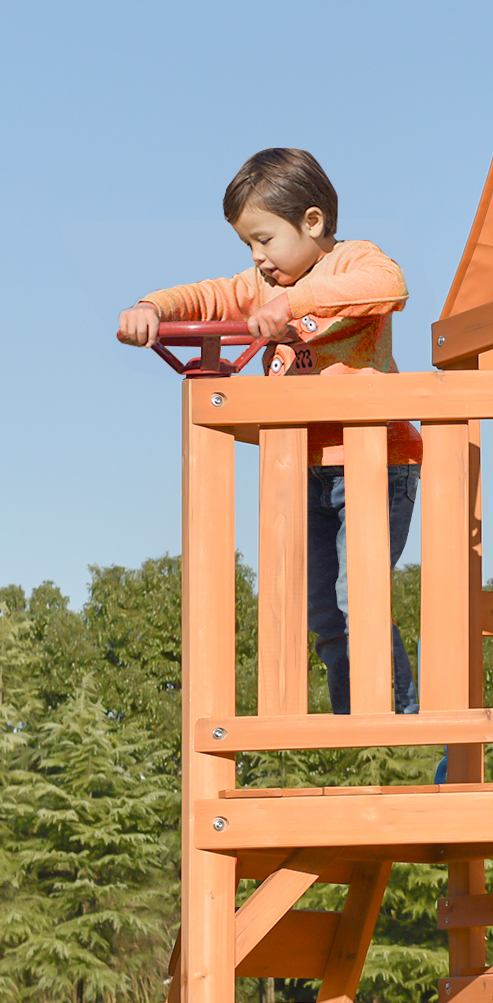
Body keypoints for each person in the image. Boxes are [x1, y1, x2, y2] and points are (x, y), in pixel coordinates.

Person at [117, 148, 420, 714]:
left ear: (312, 222)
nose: (257, 258)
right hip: (303, 464)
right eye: (247, 246)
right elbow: (204, 295)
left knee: (360, 595)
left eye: (264, 239)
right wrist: (149, 307)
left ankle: (399, 710)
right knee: (321, 604)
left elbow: (391, 285)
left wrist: (293, 305)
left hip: (376, 460)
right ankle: (353, 717)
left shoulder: (351, 261)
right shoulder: (257, 287)